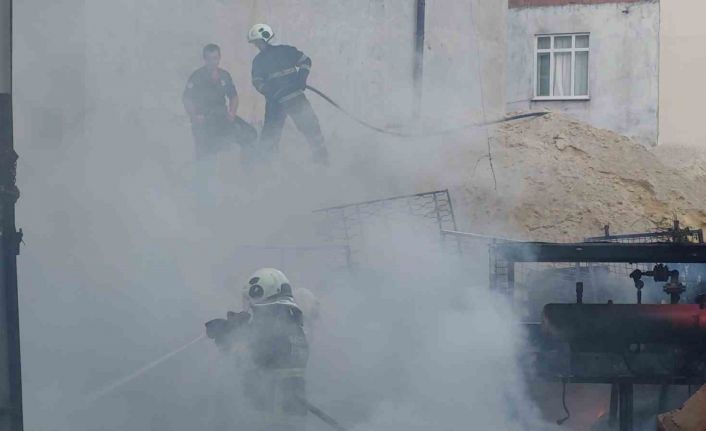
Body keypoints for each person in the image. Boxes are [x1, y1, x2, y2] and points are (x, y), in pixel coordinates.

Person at [205, 268, 309, 431]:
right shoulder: (293, 327)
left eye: (253, 304)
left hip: (269, 421)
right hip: (287, 419)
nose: (253, 309)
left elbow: (255, 354)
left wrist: (229, 331)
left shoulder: (277, 330)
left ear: (261, 295)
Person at [247, 24, 329, 165]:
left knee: (311, 127)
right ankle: (266, 167)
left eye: (258, 42)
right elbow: (257, 82)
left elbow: (305, 61)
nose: (257, 46)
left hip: (294, 98)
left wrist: (302, 78)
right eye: (255, 43)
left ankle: (322, 160)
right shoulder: (259, 61)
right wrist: (270, 91)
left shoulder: (286, 51)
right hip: (275, 103)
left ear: (265, 39)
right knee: (271, 135)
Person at [183, 44, 257, 162]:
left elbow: (233, 96)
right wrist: (194, 116)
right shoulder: (197, 76)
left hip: (222, 116)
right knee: (206, 154)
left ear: (219, 58)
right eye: (209, 59)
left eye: (215, 58)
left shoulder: (224, 75)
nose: (212, 62)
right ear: (204, 59)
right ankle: (204, 171)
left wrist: (232, 112)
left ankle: (248, 168)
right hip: (204, 119)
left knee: (250, 133)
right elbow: (187, 98)